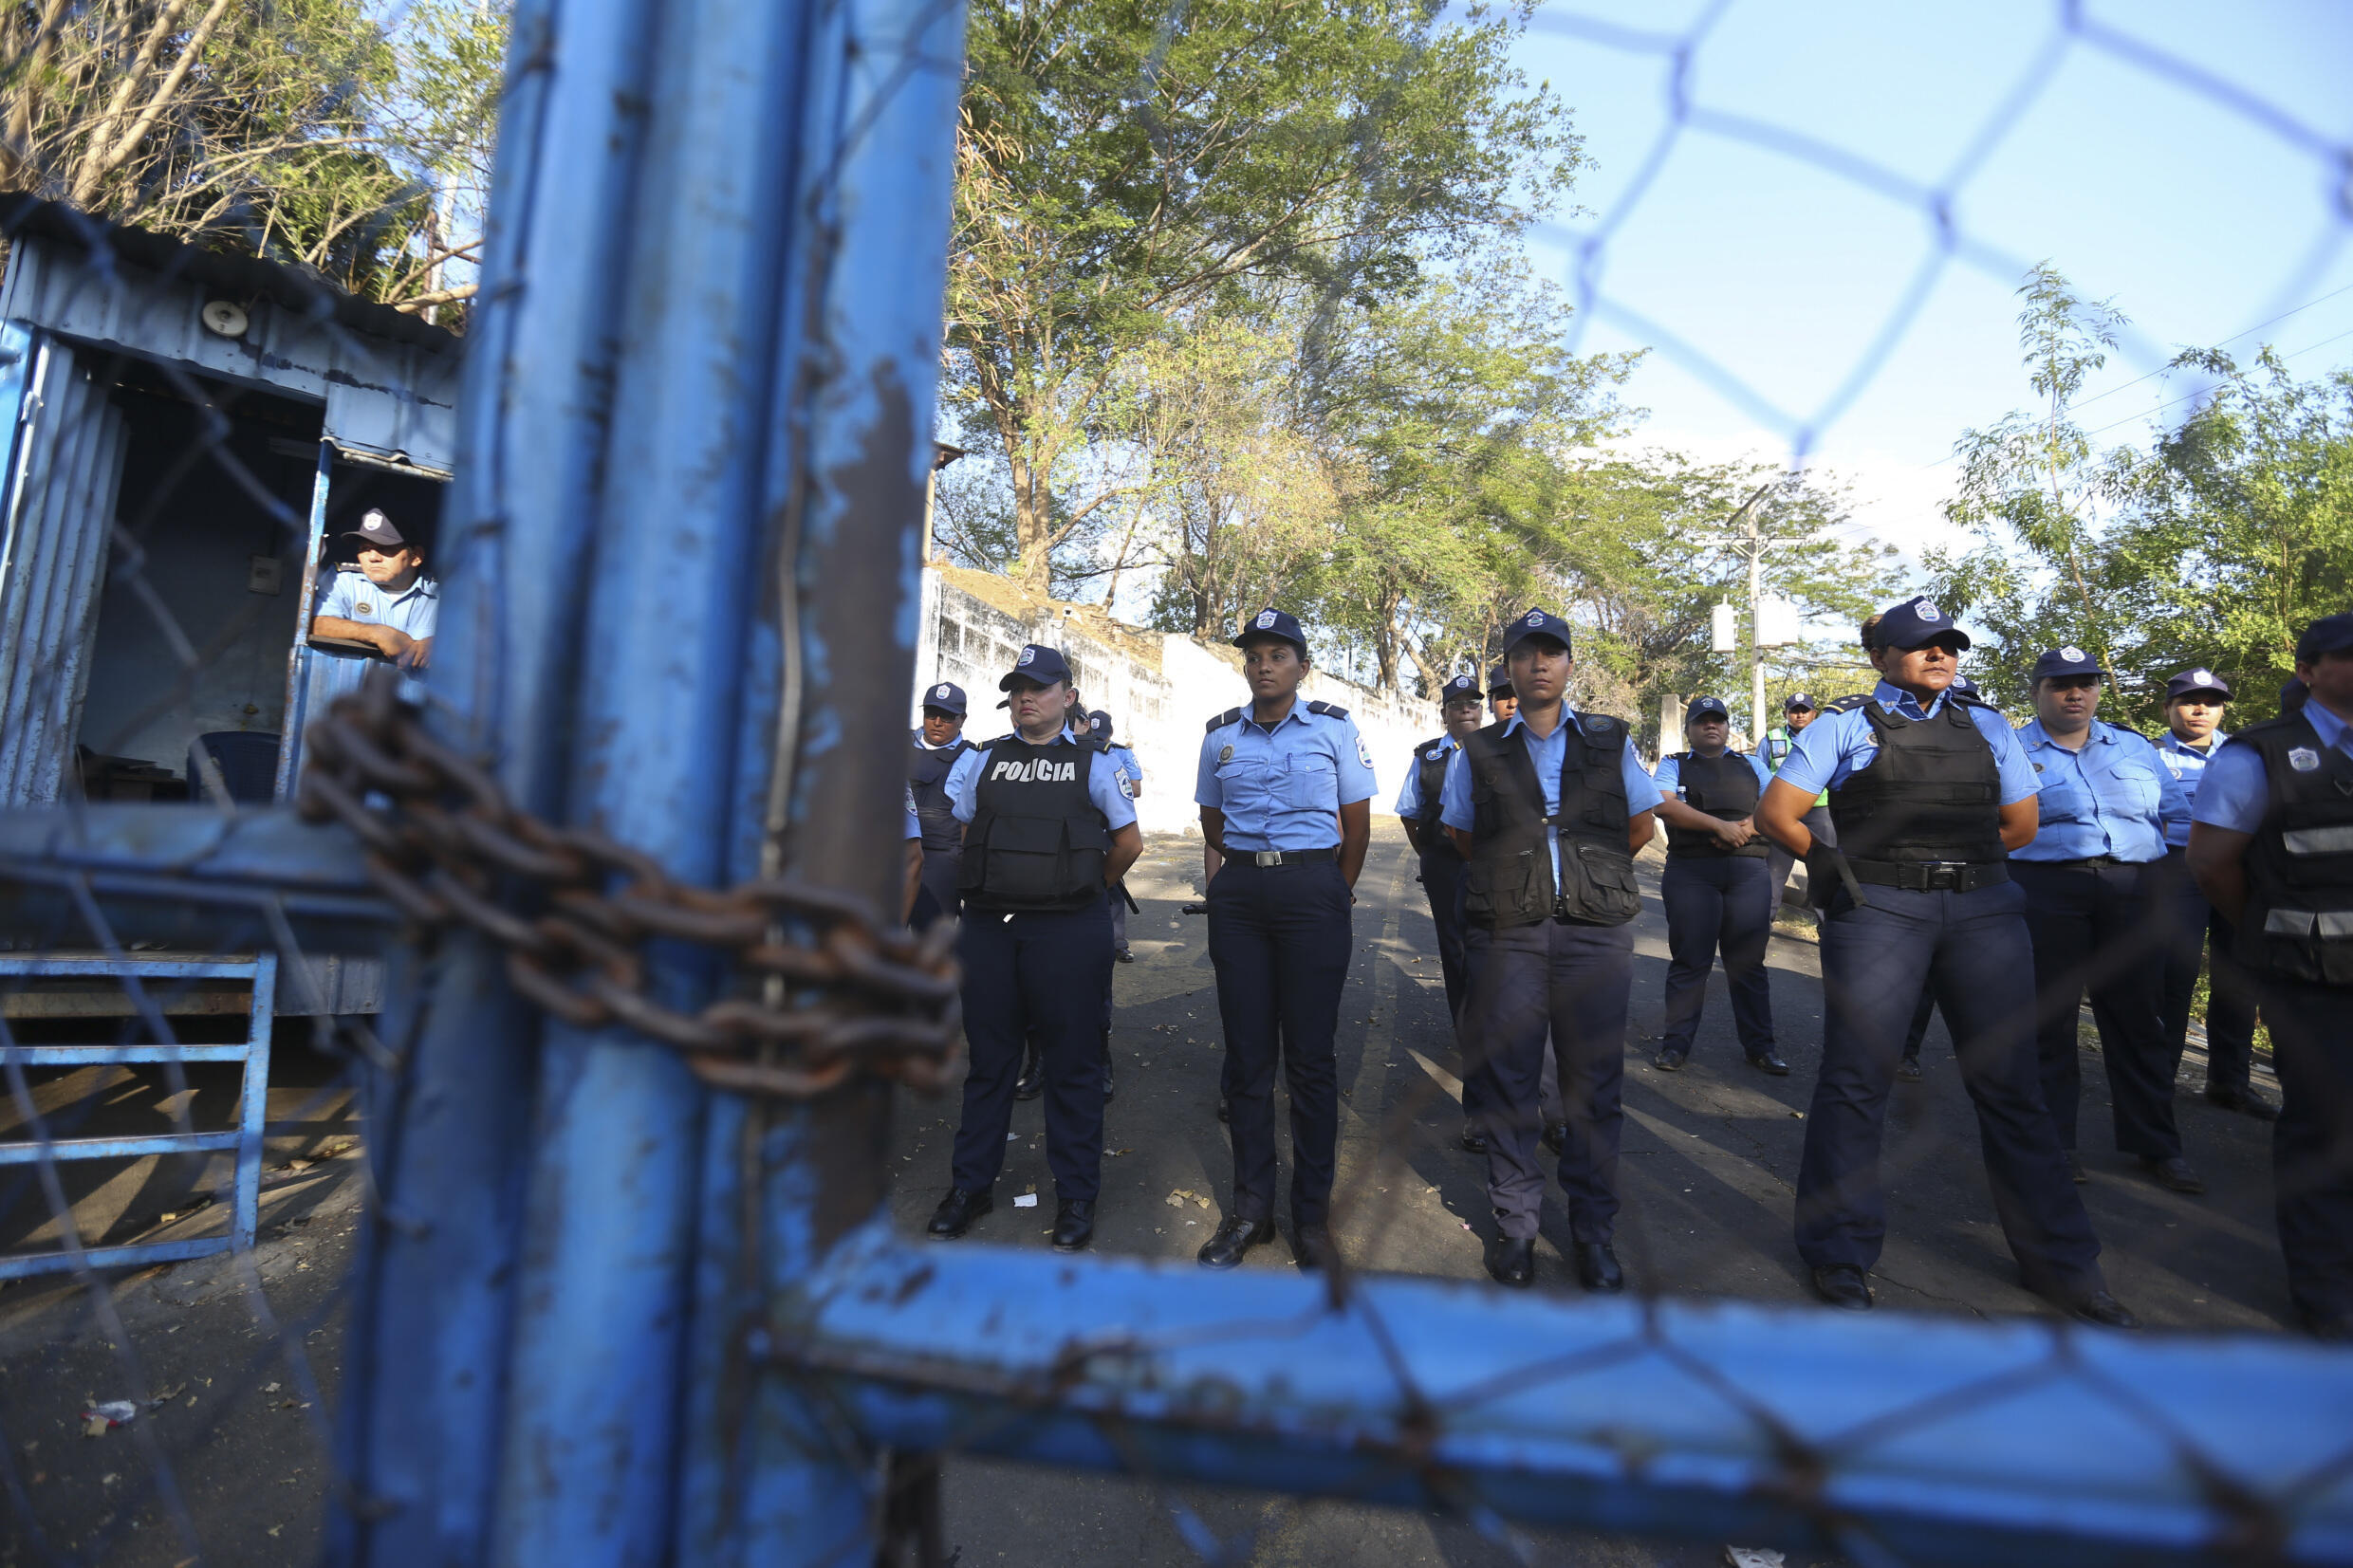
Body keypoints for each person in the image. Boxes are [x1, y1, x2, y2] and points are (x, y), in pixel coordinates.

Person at [1756, 595, 2135, 1326]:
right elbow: (1779, 814)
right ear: (1880, 656)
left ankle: (2063, 1265)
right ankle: (1838, 1251)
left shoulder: (1988, 724)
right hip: (1880, 915)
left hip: (1983, 912)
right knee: (1855, 1080)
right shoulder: (1843, 726)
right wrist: (1840, 872)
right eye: (1922, 643)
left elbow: (2020, 826)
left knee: (2012, 1085)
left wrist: (1953, 865)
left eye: (1949, 644)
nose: (1940, 654)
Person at [1442, 609, 1661, 1292]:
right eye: (1525, 653)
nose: (1539, 663)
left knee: (1593, 1089)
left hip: (1594, 937)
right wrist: (1525, 882)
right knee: (1511, 1083)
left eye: (1552, 652)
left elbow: (1641, 824)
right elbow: (1461, 836)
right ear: (1506, 667)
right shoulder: (1477, 751)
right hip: (1508, 933)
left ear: (1570, 664)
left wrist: (1583, 881)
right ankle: (1517, 1228)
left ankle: (1594, 1233)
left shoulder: (1608, 741)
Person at [925, 644, 1141, 1254]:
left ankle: (1076, 1196)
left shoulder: (1096, 764)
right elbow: (971, 832)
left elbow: (1129, 843)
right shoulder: (982, 761)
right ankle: (970, 1187)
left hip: (1068, 930)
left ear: (1068, 696)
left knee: (1073, 1065)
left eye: (1039, 688)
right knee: (990, 1062)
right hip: (993, 927)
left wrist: (1077, 890)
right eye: (1018, 688)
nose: (1026, 697)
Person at [2187, 612, 2353, 1342]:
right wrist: (2275, 928)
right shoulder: (2259, 756)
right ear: (2310, 668)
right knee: (2325, 1126)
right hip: (2309, 976)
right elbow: (2213, 865)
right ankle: (2324, 1289)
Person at [1194, 607, 1375, 1271]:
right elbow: (1213, 821)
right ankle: (1249, 1212)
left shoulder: (1333, 727)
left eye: (1277, 654)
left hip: (1312, 892)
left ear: (1302, 664)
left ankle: (1312, 1219)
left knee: (1310, 1060)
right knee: (1246, 1059)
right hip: (1240, 896)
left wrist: (1333, 888)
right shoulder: (1219, 737)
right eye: (1254, 655)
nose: (1263, 665)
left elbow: (1355, 827)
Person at [2010, 645, 2200, 1193]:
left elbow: (2177, 816)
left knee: (2140, 1019)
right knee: (2051, 1019)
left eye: (2086, 683)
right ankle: (2056, 1144)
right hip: (2049, 889)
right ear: (2038, 692)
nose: (2076, 693)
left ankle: (2156, 1144)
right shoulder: (2011, 751)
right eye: (2061, 684)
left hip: (2133, 889)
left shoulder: (2135, 747)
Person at [2151, 669, 2275, 1119]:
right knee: (2174, 978)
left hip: (2238, 871)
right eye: (2188, 701)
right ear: (2167, 709)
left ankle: (2230, 1083)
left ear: (2223, 710)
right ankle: (2157, 1081)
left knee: (2239, 976)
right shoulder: (2146, 756)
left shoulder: (2248, 755)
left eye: (2211, 702)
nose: (2200, 709)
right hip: (2175, 871)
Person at [1651, 696, 1786, 1075]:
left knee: (1748, 964)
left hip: (1747, 872)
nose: (1711, 726)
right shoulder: (1673, 764)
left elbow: (1779, 804)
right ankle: (1675, 1046)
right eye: (1702, 721)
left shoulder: (1752, 763)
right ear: (1690, 729)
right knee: (1690, 961)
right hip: (1692, 873)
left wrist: (1743, 829)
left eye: (1718, 720)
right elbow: (1660, 803)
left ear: (1727, 727)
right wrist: (1718, 826)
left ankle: (1761, 1047)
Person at [1398, 673, 1485, 1132]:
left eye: (1473, 704)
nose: (1466, 711)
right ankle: (1471, 1043)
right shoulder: (1427, 757)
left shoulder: (1503, 747)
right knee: (1458, 956)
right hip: (1447, 867)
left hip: (1498, 868)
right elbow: (1411, 813)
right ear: (1445, 713)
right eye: (1457, 705)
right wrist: (1432, 856)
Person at [313, 508, 436, 673]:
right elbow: (315, 624)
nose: (373, 557)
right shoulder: (343, 580)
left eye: (385, 548)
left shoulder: (445, 591)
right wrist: (376, 633)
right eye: (365, 548)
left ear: (416, 556)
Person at [907, 681, 975, 931]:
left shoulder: (974, 760)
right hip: (895, 853)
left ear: (962, 719)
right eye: (931, 714)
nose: (937, 722)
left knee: (932, 940)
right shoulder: (897, 746)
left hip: (941, 862)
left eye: (947, 716)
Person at [1086, 710, 1144, 963]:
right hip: (1083, 827)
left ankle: (1118, 942)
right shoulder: (1079, 751)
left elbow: (1136, 788)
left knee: (1113, 887)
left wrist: (1107, 782)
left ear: (1110, 733)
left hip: (1112, 828)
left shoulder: (1120, 753)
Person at [1762, 693, 1829, 908]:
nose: (1800, 715)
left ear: (1813, 714)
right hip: (1782, 813)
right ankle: (1762, 924)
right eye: (1794, 711)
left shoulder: (1827, 737)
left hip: (1820, 811)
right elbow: (1759, 773)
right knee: (1774, 872)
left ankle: (1827, 929)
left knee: (1824, 871)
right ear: (1785, 714)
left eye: (1804, 710)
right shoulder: (1772, 739)